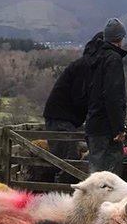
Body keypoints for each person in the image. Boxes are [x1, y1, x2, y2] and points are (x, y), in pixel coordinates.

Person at [42, 32, 99, 168]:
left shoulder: (84, 65)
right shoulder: (85, 67)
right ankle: (63, 181)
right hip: (61, 119)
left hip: (62, 117)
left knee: (69, 159)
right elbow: (80, 97)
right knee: (68, 162)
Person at [84, 18, 127, 175]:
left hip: (92, 123)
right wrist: (118, 128)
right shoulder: (113, 59)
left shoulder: (93, 58)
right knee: (110, 177)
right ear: (120, 38)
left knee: (95, 174)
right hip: (106, 128)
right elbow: (113, 96)